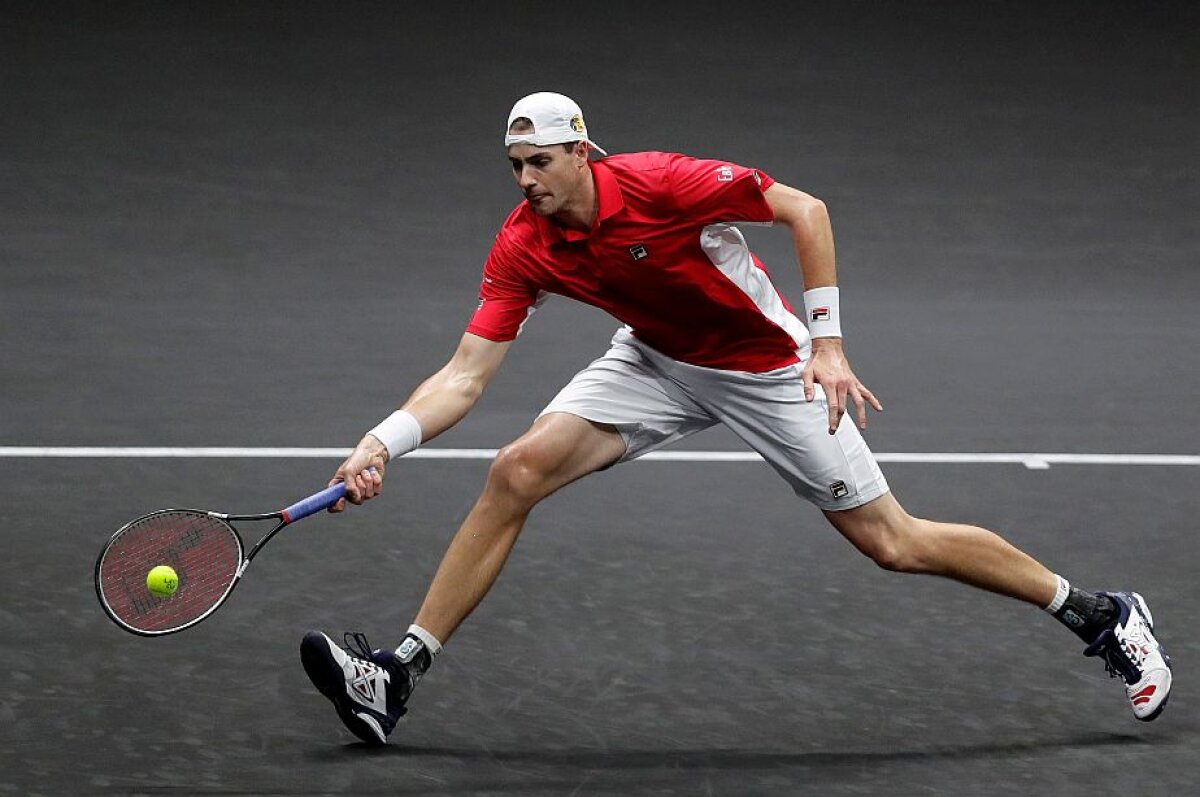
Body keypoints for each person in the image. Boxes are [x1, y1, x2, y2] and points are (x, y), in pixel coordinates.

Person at [299, 91, 1172, 744]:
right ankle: (397, 675)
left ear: (583, 154)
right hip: (655, 359)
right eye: (515, 166)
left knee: (893, 542)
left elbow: (805, 210)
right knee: (515, 470)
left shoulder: (662, 181)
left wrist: (828, 344)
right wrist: (383, 441)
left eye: (541, 163)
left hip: (765, 367)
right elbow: (464, 374)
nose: (526, 181)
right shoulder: (524, 241)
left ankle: (1101, 613)